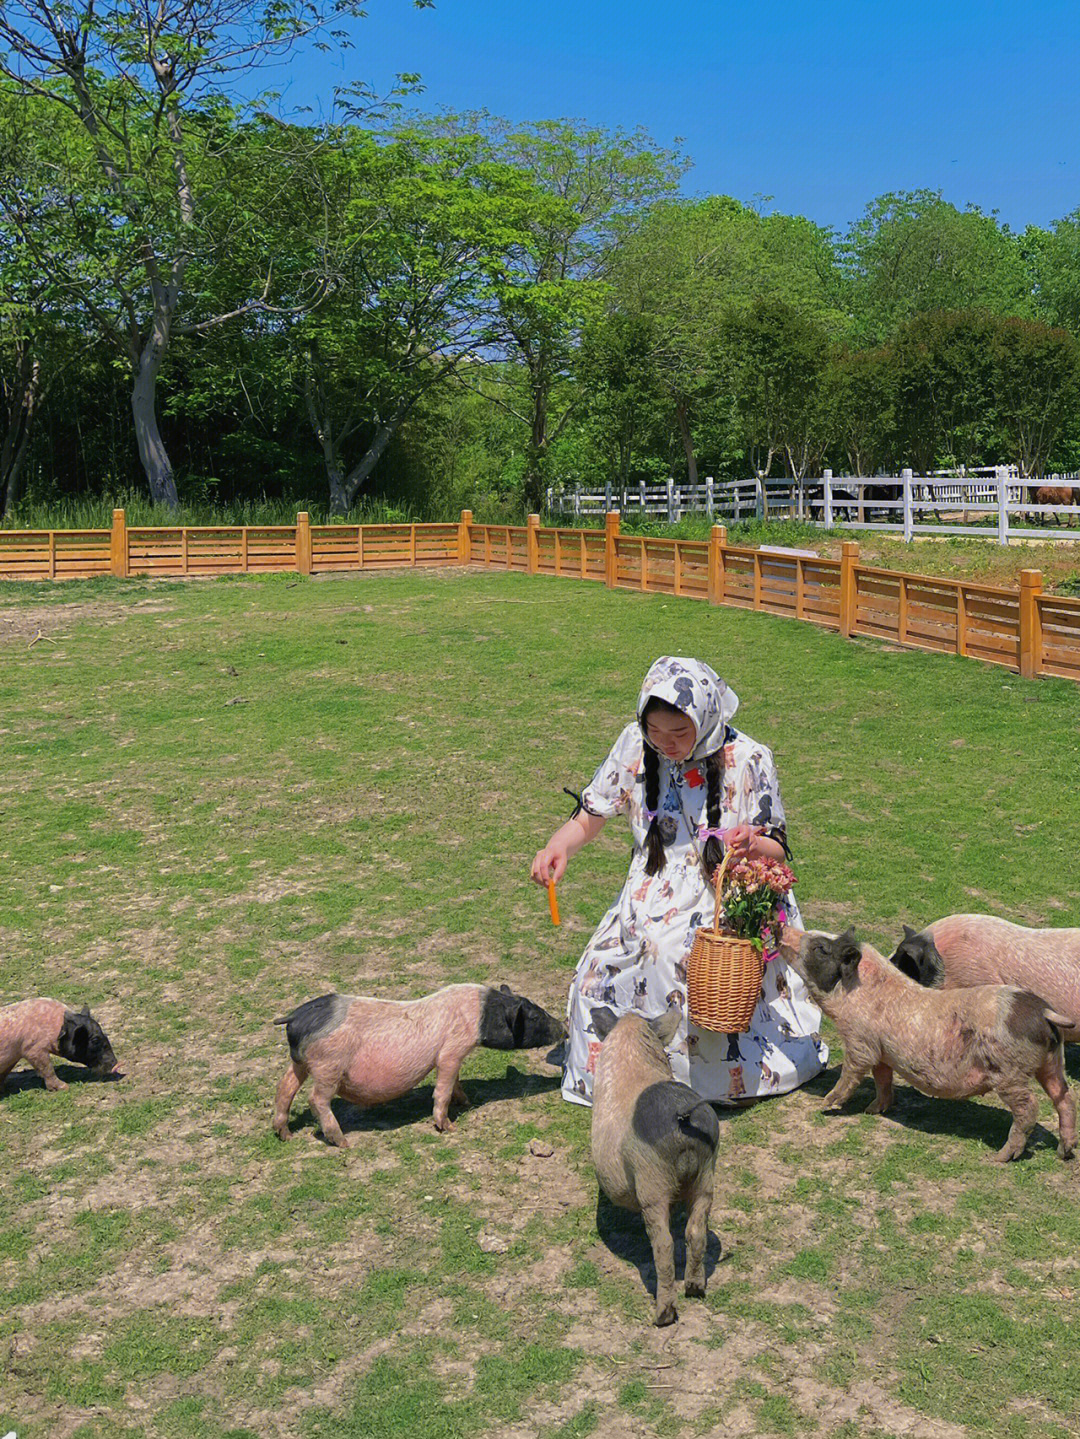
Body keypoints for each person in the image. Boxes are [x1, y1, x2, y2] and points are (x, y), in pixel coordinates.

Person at [531, 656, 827, 1107]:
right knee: (594, 972)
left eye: (679, 734)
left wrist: (751, 843)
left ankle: (688, 1084)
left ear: (707, 718)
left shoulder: (748, 758)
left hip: (725, 894)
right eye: (656, 732)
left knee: (672, 959)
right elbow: (593, 812)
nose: (665, 744)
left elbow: (779, 849)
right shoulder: (635, 745)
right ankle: (619, 1077)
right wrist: (560, 845)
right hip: (648, 889)